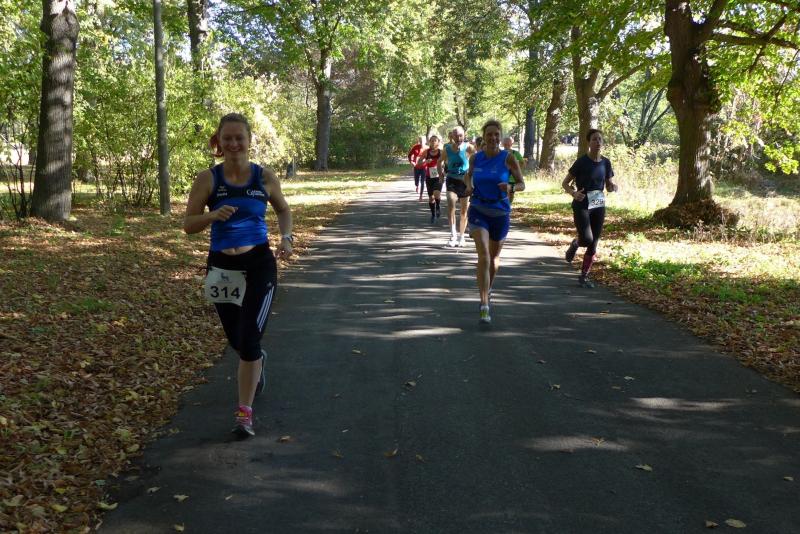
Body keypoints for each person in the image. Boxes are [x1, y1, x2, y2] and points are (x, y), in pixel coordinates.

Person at [183, 113, 293, 438]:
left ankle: (244, 414)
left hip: (258, 265)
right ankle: (257, 359)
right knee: (237, 340)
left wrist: (286, 238)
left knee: (249, 338)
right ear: (219, 141)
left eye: (239, 138)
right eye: (227, 138)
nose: (233, 144)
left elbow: (283, 209)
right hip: (221, 268)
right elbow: (188, 225)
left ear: (249, 140)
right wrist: (212, 215)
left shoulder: (264, 177)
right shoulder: (208, 179)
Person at [464, 119, 525, 324]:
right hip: (478, 209)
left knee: (494, 257)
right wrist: (469, 186)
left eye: (496, 134)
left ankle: (488, 288)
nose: (493, 138)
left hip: (500, 211)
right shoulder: (476, 158)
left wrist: (510, 188)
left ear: (500, 137)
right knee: (484, 255)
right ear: (484, 137)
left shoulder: (508, 158)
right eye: (489, 134)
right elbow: (468, 176)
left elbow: (522, 184)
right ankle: (484, 304)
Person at [561, 128, 618, 288]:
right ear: (589, 142)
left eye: (600, 139)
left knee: (594, 243)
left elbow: (608, 184)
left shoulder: (606, 162)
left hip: (598, 202)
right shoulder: (581, 162)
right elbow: (565, 183)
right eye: (594, 139)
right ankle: (575, 244)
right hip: (582, 203)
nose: (598, 142)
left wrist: (612, 187)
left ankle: (584, 276)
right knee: (586, 239)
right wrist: (574, 193)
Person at [440, 126, 474, 247]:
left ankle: (461, 236)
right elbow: (439, 162)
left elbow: (477, 159)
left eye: (460, 135)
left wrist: (473, 174)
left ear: (464, 136)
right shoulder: (447, 149)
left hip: (464, 180)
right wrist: (441, 175)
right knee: (451, 205)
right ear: (452, 136)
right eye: (456, 135)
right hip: (451, 180)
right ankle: (453, 235)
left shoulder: (469, 147)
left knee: (464, 210)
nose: (458, 138)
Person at [417, 135, 443, 223]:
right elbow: (419, 163)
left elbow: (447, 162)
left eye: (435, 140)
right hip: (429, 177)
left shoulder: (441, 152)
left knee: (437, 194)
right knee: (431, 198)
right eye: (431, 141)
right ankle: (433, 214)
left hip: (438, 176)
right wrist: (425, 161)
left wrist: (443, 166)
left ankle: (438, 206)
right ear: (429, 142)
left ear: (438, 142)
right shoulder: (426, 152)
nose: (433, 142)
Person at [501, 136, 525, 203]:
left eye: (508, 144)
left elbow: (522, 162)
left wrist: (517, 169)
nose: (507, 146)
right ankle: (505, 205)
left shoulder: (516, 153)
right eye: (505, 144)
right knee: (504, 193)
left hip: (512, 178)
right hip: (503, 177)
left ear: (511, 144)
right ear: (503, 144)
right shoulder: (500, 153)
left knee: (511, 194)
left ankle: (509, 205)